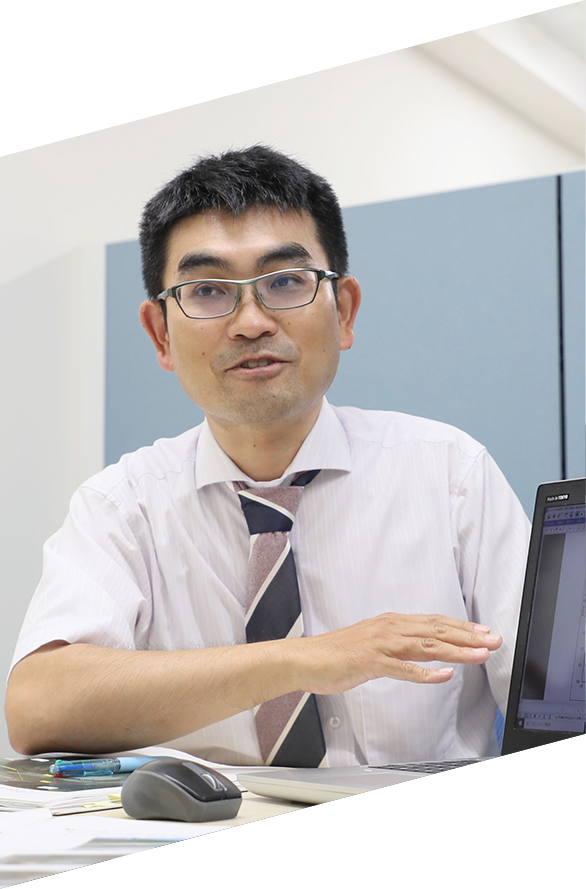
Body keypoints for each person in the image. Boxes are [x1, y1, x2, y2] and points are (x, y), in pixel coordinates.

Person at [6, 146, 530, 766]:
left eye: (285, 282)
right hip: (214, 827)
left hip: (424, 822)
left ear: (344, 311)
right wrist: (299, 660)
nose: (251, 322)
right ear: (160, 333)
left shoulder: (450, 474)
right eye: (207, 290)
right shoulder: (123, 505)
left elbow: (556, 714)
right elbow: (37, 707)